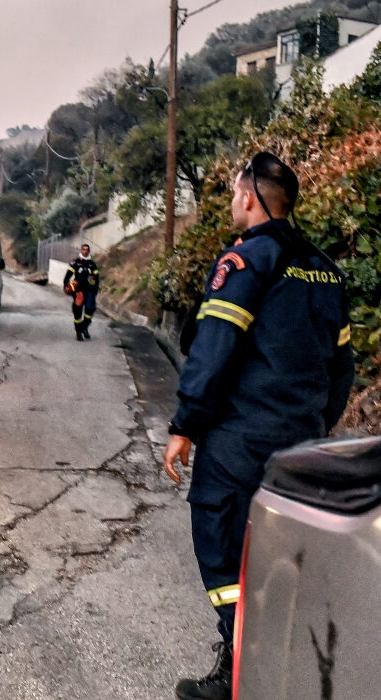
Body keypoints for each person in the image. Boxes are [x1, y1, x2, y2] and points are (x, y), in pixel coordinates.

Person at [162, 152, 354, 700]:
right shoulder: (325, 269)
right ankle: (279, 657)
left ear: (251, 196)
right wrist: (316, 423)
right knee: (278, 550)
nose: (230, 202)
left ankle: (244, 664)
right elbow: (342, 367)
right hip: (303, 441)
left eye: (233, 192)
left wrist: (185, 425)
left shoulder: (247, 261)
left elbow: (214, 348)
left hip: (241, 439)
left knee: (219, 540)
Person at [62, 243, 99, 340]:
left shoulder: (92, 264)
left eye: (87, 250)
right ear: (81, 251)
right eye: (83, 249)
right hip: (78, 292)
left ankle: (84, 328)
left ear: (89, 251)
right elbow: (67, 277)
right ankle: (79, 332)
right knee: (77, 312)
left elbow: (97, 279)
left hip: (90, 292)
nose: (85, 251)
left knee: (90, 310)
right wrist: (66, 286)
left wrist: (95, 291)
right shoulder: (75, 263)